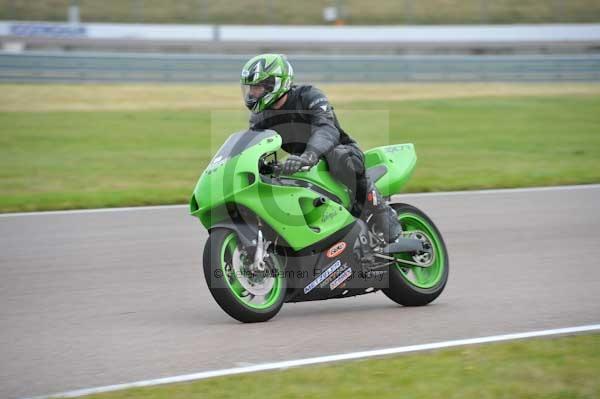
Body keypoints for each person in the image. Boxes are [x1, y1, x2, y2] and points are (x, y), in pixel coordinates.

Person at [241, 53, 402, 243]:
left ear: (275, 84)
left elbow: (326, 128)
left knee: (339, 157)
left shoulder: (309, 96)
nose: (252, 93)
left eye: (257, 87)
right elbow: (253, 146)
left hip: (340, 151)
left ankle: (380, 210)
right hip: (303, 162)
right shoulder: (260, 117)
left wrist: (310, 154)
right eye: (250, 88)